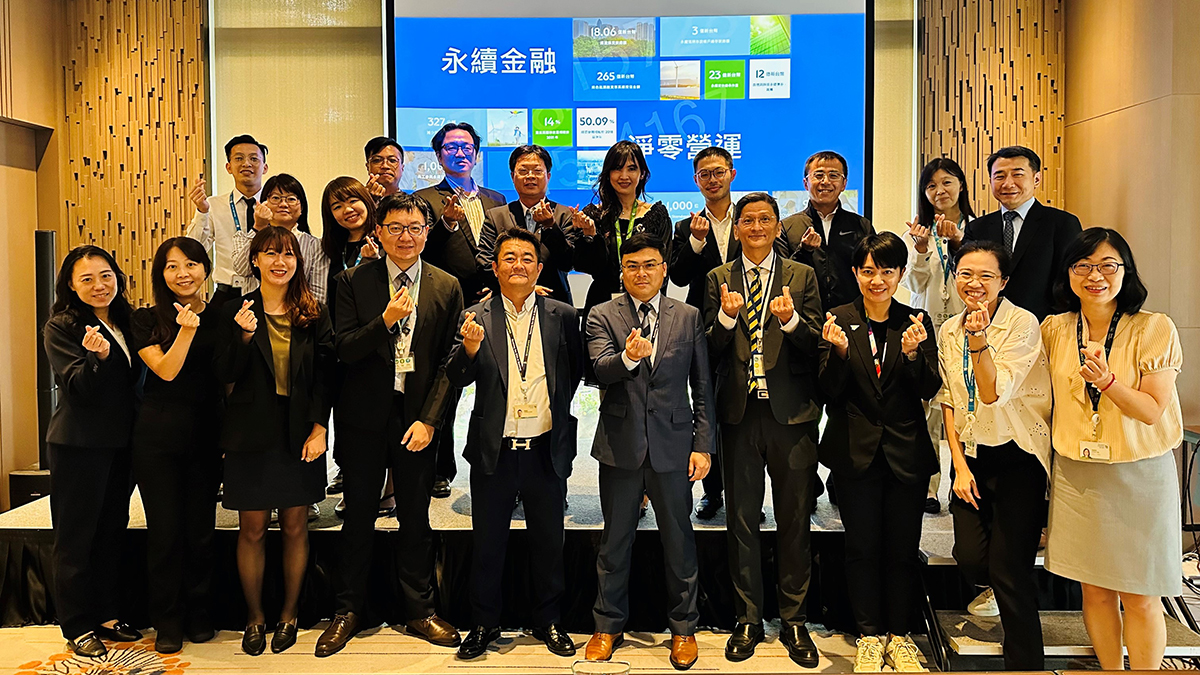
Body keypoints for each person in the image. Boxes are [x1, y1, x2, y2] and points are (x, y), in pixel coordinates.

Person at [315, 194, 464, 657]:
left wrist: (429, 420)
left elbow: (449, 363)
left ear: (426, 231)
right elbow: (344, 350)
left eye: (415, 227)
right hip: (363, 417)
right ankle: (347, 610)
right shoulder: (351, 282)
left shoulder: (446, 285)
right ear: (378, 231)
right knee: (358, 515)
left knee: (415, 518)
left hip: (417, 418)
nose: (406, 236)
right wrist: (385, 321)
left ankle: (420, 610)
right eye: (396, 227)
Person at [1041, 228, 1184, 670]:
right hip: (1077, 476)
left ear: (1126, 270)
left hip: (1139, 476)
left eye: (1107, 265)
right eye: (1082, 266)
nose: (1094, 276)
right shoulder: (1054, 329)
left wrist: (1107, 382)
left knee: (1141, 595)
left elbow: (1151, 410)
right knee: (1095, 590)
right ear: (1068, 274)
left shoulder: (1153, 327)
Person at [447, 228, 583, 660]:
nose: (518, 265)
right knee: (488, 543)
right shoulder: (475, 315)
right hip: (496, 448)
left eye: (527, 258)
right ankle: (484, 623)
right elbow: (454, 377)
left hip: (546, 447)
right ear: (495, 266)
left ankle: (549, 621)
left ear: (540, 268)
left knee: (549, 541)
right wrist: (468, 350)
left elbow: (575, 370)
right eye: (509, 258)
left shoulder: (562, 314)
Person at [583, 233, 714, 670]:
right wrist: (627, 358)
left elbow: (702, 388)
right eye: (633, 265)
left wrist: (702, 446)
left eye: (651, 265)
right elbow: (600, 370)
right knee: (614, 543)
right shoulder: (602, 313)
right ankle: (607, 626)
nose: (642, 273)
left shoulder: (688, 315)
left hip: (674, 447)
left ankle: (684, 628)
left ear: (664, 269)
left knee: (680, 541)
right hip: (620, 448)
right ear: (622, 270)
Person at [704, 193, 823, 666]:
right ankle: (748, 618)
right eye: (747, 220)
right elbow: (708, 350)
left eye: (765, 220)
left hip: (791, 415)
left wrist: (791, 320)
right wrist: (727, 317)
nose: (755, 227)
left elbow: (817, 342)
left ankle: (794, 621)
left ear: (778, 227)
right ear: (736, 229)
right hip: (739, 414)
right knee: (741, 521)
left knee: (795, 519)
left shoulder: (802, 276)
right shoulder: (718, 278)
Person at [817, 233, 940, 672]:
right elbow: (827, 393)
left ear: (901, 274)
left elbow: (929, 388)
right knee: (862, 548)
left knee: (902, 549)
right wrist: (840, 352)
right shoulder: (837, 319)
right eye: (868, 270)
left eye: (887, 271)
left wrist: (911, 357)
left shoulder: (916, 320)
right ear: (855, 273)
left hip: (906, 453)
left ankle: (900, 635)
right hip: (855, 452)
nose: (877, 279)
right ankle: (869, 635)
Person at [215, 227, 334, 656]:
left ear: (299, 262)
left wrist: (320, 427)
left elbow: (325, 375)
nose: (280, 261)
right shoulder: (233, 309)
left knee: (296, 526)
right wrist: (243, 336)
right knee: (251, 530)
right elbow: (221, 374)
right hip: (250, 434)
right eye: (270, 254)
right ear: (256, 261)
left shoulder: (312, 311)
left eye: (288, 254)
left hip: (299, 432)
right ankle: (254, 617)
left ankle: (288, 614)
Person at [936, 241, 1051, 670]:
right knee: (969, 558)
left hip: (1018, 455)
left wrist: (980, 340)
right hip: (972, 457)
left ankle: (1024, 663)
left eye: (986, 276)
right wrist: (959, 466)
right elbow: (950, 400)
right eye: (966, 274)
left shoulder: (1022, 324)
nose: (975, 284)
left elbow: (992, 391)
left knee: (1010, 572)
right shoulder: (949, 329)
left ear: (1004, 281)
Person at [43, 246, 143, 658]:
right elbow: (77, 387)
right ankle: (77, 623)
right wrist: (97, 358)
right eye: (86, 279)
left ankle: (105, 611)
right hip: (78, 445)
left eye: (105, 276)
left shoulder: (127, 319)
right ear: (70, 284)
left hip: (123, 443)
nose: (99, 286)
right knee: (76, 536)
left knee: (111, 532)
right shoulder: (62, 326)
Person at [130, 238, 222, 654]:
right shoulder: (146, 319)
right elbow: (166, 371)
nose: (182, 273)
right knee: (165, 533)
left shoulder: (221, 314)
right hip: (158, 439)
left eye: (191, 264)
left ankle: (200, 613)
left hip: (206, 436)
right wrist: (185, 331)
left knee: (201, 532)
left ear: (205, 268)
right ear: (160, 275)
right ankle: (167, 620)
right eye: (171, 267)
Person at [668, 145, 739, 520]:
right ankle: (713, 492)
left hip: (748, 327)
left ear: (732, 173)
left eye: (718, 171)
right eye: (704, 174)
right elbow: (677, 276)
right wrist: (695, 243)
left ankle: (745, 493)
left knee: (746, 413)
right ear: (696, 181)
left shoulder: (753, 218)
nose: (712, 179)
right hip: (705, 326)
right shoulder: (686, 226)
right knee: (707, 406)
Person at [903, 158, 977, 514]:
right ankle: (929, 487)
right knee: (928, 408)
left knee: (967, 404)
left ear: (961, 185)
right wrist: (918, 251)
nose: (939, 192)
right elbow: (915, 284)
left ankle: (965, 480)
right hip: (928, 326)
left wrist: (961, 241)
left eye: (946, 183)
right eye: (931, 186)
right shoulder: (918, 231)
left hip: (971, 328)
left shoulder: (979, 228)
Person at [949, 145, 1082, 321]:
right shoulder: (978, 227)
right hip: (989, 326)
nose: (1008, 183)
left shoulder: (1062, 223)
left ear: (1036, 179)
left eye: (1017, 174)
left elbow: (1070, 280)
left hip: (1044, 326)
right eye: (1000, 176)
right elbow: (963, 270)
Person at [573, 140, 673, 318]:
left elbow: (662, 268)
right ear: (608, 173)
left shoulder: (657, 215)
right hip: (602, 307)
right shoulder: (594, 216)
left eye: (632, 168)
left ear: (642, 173)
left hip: (647, 306)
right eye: (617, 168)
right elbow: (587, 266)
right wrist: (590, 236)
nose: (624, 175)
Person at [415, 121, 506, 304]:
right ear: (439, 157)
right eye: (451, 147)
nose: (460, 153)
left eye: (466, 147)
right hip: (449, 299)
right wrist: (446, 223)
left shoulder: (497, 200)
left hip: (496, 297)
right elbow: (423, 252)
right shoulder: (423, 199)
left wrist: (498, 285)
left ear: (476, 155)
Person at [477, 144, 579, 305]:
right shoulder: (496, 216)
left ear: (548, 176)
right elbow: (485, 262)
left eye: (537, 171)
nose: (530, 176)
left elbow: (567, 263)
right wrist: (527, 288)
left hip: (553, 304)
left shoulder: (564, 214)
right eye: (523, 171)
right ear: (512, 176)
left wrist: (550, 226)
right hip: (506, 303)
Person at [777, 150, 875, 312]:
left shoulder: (862, 226)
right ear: (806, 183)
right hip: (803, 316)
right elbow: (781, 275)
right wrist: (804, 251)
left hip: (851, 316)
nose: (826, 182)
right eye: (819, 175)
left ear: (844, 184)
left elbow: (871, 272)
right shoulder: (787, 227)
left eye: (834, 175)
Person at [186, 134, 268, 307]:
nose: (246, 164)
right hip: (227, 295)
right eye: (239, 158)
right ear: (229, 167)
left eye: (254, 158)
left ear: (265, 167)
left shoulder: (274, 207)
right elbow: (193, 250)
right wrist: (202, 211)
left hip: (267, 294)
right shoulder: (214, 205)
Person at [233, 173, 332, 305]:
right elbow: (242, 269)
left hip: (299, 317)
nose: (283, 204)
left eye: (291, 199)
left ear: (302, 207)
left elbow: (318, 295)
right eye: (276, 198)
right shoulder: (243, 237)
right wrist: (258, 227)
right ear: (263, 203)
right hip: (254, 316)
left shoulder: (316, 246)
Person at [321, 176, 381, 307]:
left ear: (366, 200)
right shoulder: (332, 248)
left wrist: (375, 260)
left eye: (352, 201)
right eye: (337, 207)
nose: (347, 210)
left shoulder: (384, 239)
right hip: (340, 325)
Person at [363, 136, 406, 200]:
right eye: (377, 160)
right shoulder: (357, 203)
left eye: (392, 160)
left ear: (402, 168)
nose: (385, 166)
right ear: (368, 167)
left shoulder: (412, 205)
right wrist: (368, 201)